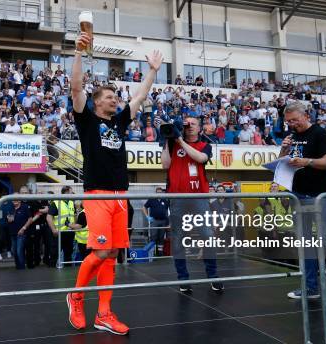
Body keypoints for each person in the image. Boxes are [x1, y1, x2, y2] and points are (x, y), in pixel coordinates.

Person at [66, 30, 163, 336]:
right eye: (109, 97)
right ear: (96, 103)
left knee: (113, 255)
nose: (115, 99)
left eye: (115, 97)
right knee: (100, 252)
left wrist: (153, 71)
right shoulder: (87, 119)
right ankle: (76, 296)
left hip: (121, 195)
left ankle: (104, 313)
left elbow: (140, 97)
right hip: (97, 194)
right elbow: (75, 86)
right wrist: (80, 52)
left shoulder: (119, 122)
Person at [278, 101, 326, 311]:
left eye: (294, 120)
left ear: (306, 116)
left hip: (318, 195)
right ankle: (310, 288)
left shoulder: (320, 134)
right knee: (305, 245)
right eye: (288, 121)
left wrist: (307, 162)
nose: (291, 124)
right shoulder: (292, 136)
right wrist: (284, 149)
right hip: (297, 193)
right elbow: (282, 162)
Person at [161, 116, 223, 293]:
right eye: (185, 124)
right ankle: (183, 279)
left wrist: (179, 139)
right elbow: (165, 164)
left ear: (199, 128)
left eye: (192, 124)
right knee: (178, 239)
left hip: (199, 197)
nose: (188, 127)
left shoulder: (205, 145)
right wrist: (167, 139)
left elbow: (201, 159)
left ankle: (213, 276)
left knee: (207, 235)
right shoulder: (172, 145)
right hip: (177, 197)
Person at [47, 186, 76, 265]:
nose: (72, 194)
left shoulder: (71, 202)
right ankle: (51, 271)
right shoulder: (56, 203)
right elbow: (49, 217)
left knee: (68, 254)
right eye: (71, 192)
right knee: (54, 253)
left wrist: (74, 227)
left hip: (69, 232)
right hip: (58, 233)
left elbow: (74, 216)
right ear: (66, 192)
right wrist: (53, 229)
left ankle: (68, 270)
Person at [142, 187, 170, 256]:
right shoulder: (152, 199)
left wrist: (168, 223)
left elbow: (168, 211)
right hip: (154, 221)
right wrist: (147, 216)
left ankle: (160, 253)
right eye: (158, 192)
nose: (159, 194)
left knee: (161, 237)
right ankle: (152, 253)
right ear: (156, 193)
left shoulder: (165, 201)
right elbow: (144, 207)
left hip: (163, 221)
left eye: (160, 192)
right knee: (153, 236)